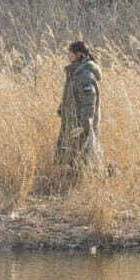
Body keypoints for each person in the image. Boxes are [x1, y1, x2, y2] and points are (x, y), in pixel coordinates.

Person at [56, 41, 104, 183]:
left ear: (79, 54)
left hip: (80, 123)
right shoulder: (75, 72)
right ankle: (74, 183)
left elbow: (89, 101)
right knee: (73, 154)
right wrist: (62, 109)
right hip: (72, 120)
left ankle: (93, 181)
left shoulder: (83, 74)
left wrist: (85, 125)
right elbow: (72, 95)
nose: (68, 55)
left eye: (70, 52)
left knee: (83, 155)